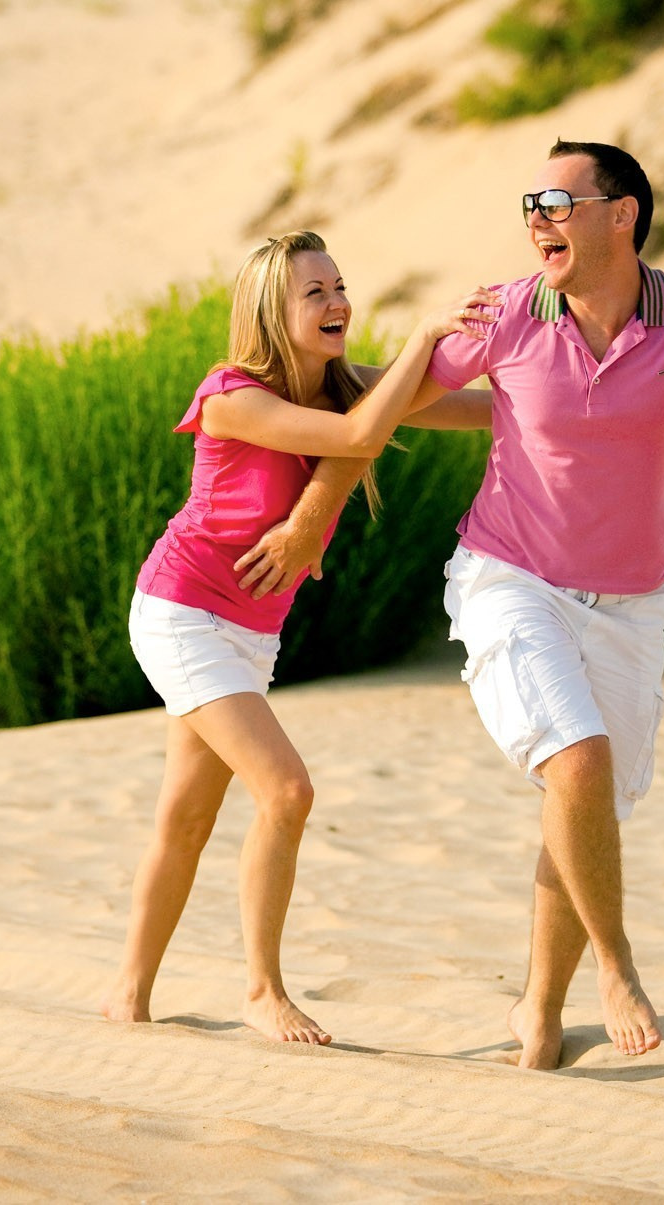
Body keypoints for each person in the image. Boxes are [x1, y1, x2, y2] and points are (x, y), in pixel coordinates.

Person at [232, 142, 664, 1068]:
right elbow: (382, 402)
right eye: (531, 202)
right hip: (508, 577)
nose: (537, 218)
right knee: (577, 759)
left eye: (558, 202)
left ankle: (539, 1010)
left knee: (586, 799)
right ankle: (618, 967)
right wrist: (307, 506)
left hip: (635, 601)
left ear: (622, 216)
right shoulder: (509, 310)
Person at [104, 230, 493, 1045]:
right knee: (286, 790)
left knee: (183, 818)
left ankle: (126, 1001)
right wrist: (424, 340)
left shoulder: (347, 387)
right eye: (314, 293)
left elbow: (480, 410)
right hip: (181, 610)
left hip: (251, 630)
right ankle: (262, 990)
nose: (337, 302)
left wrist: (579, 392)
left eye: (340, 285)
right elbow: (359, 440)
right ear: (271, 314)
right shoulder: (231, 394)